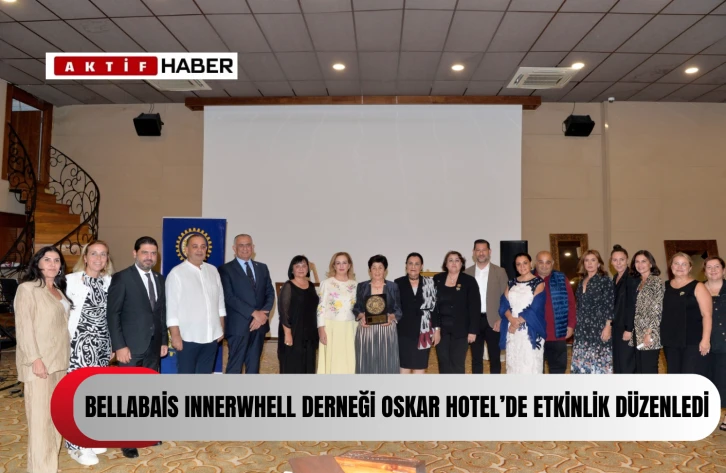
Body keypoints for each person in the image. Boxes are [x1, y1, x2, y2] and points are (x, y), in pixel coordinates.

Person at [107, 236, 168, 459]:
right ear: (135, 253)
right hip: (129, 347)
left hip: (153, 346)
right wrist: (119, 346)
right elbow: (113, 314)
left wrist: (164, 341)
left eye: (153, 253)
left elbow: (161, 313)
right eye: (145, 252)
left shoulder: (160, 279)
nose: (149, 257)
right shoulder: (122, 278)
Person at [14, 247, 71, 473]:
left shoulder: (58, 290)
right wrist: (35, 359)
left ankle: (49, 465)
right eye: (47, 259)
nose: (52, 264)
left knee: (55, 418)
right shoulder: (27, 289)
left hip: (60, 362)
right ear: (37, 263)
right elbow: (24, 327)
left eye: (56, 260)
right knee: (39, 421)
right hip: (39, 364)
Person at [65, 241, 114, 465]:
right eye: (94, 253)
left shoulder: (109, 282)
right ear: (85, 257)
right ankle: (76, 445)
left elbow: (112, 317)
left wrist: (111, 344)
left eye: (103, 254)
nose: (98, 258)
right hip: (79, 345)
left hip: (101, 346)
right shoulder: (70, 281)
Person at [165, 234, 225, 374]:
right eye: (195, 246)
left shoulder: (213, 271)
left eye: (203, 247)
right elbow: (171, 308)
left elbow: (220, 301)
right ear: (186, 250)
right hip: (188, 338)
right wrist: (175, 336)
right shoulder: (176, 273)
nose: (199, 250)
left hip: (211, 336)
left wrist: (221, 328)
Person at [219, 234, 275, 374]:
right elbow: (229, 297)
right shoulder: (225, 269)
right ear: (234, 248)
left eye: (248, 245)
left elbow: (270, 292)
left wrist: (263, 314)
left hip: (259, 326)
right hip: (238, 327)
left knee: (254, 367)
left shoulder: (262, 268)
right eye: (241, 245)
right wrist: (254, 313)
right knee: (235, 367)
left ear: (253, 247)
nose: (245, 248)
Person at [661, 252, 712, 375]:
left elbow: (707, 315)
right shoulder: (664, 287)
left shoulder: (698, 286)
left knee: (690, 378)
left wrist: (706, 340)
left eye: (684, 264)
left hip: (693, 342)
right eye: (676, 263)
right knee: (674, 378)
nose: (680, 267)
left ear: (690, 268)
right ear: (671, 266)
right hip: (670, 342)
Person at [465, 239, 509, 374]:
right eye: (478, 250)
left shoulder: (500, 272)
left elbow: (506, 298)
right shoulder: (466, 273)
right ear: (473, 252)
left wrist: (501, 319)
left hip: (494, 320)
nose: (481, 253)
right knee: (476, 359)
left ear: (489, 251)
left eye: (484, 250)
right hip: (474, 322)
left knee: (495, 358)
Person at [353, 255, 402, 374]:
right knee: (366, 364)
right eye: (374, 267)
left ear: (385, 270)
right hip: (366, 329)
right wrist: (361, 316)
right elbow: (357, 308)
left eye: (380, 267)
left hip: (387, 330)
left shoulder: (393, 286)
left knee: (387, 363)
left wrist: (390, 317)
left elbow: (398, 310)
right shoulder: (362, 286)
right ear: (369, 270)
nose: (377, 271)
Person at [432, 251, 480, 373]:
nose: (454, 263)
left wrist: (473, 331)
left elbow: (474, 307)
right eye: (450, 260)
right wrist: (436, 329)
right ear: (446, 264)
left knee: (457, 364)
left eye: (457, 260)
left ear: (461, 263)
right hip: (441, 331)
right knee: (443, 363)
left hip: (461, 331)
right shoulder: (437, 279)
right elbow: (433, 307)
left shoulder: (469, 281)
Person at [498, 253, 546, 373]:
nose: (522, 266)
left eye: (525, 263)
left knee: (529, 366)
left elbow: (535, 307)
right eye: (518, 264)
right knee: (513, 365)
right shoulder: (511, 283)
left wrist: (517, 323)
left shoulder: (538, 282)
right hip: (512, 330)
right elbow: (503, 305)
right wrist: (511, 320)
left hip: (530, 329)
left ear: (531, 264)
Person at [570, 250, 614, 374]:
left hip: (599, 327)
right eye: (586, 260)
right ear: (583, 263)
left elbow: (610, 304)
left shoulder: (605, 280)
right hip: (582, 328)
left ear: (598, 263)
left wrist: (608, 326)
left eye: (593, 260)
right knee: (582, 362)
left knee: (599, 362)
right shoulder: (581, 281)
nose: (589, 263)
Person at [395, 252, 439, 374]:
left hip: (423, 333)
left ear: (421, 266)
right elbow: (394, 308)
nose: (413, 267)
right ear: (406, 265)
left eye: (416, 264)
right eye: (410, 263)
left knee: (420, 369)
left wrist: (437, 329)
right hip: (403, 334)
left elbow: (434, 309)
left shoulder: (430, 283)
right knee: (404, 368)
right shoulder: (398, 283)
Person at [534, 251, 576, 374]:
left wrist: (571, 325)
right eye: (541, 262)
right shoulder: (528, 279)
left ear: (552, 263)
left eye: (548, 262)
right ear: (536, 263)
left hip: (557, 333)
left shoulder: (561, 278)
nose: (544, 266)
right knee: (535, 370)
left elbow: (571, 303)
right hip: (534, 334)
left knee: (558, 371)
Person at [316, 252, 358, 374]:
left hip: (351, 327)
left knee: (349, 359)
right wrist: (321, 329)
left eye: (344, 263)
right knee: (333, 360)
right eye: (338, 263)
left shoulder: (355, 285)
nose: (341, 266)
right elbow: (321, 307)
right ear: (333, 266)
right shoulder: (326, 283)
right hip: (331, 327)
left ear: (349, 265)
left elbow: (358, 308)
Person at [277, 255, 319, 373]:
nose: (301, 268)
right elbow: (283, 313)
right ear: (292, 270)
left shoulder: (311, 286)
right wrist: (288, 334)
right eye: (297, 266)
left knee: (308, 364)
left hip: (309, 333)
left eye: (304, 266)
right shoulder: (288, 286)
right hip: (293, 331)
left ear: (308, 269)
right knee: (293, 364)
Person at [629, 250, 664, 374]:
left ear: (651, 263)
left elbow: (657, 309)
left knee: (649, 370)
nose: (640, 265)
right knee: (640, 371)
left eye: (643, 261)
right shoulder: (639, 282)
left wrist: (649, 332)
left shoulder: (656, 281)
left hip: (650, 333)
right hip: (637, 333)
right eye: (637, 262)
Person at [703, 256, 726, 430]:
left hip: (724, 340)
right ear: (704, 271)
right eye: (709, 267)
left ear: (723, 270)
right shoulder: (698, 289)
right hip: (704, 342)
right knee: (708, 379)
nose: (713, 270)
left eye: (716, 266)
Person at [610, 245, 638, 374]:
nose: (618, 263)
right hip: (616, 327)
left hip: (626, 328)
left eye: (621, 259)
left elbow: (632, 305)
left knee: (627, 364)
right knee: (618, 363)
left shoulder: (632, 278)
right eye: (615, 260)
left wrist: (629, 329)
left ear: (627, 260)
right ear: (611, 262)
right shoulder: (615, 278)